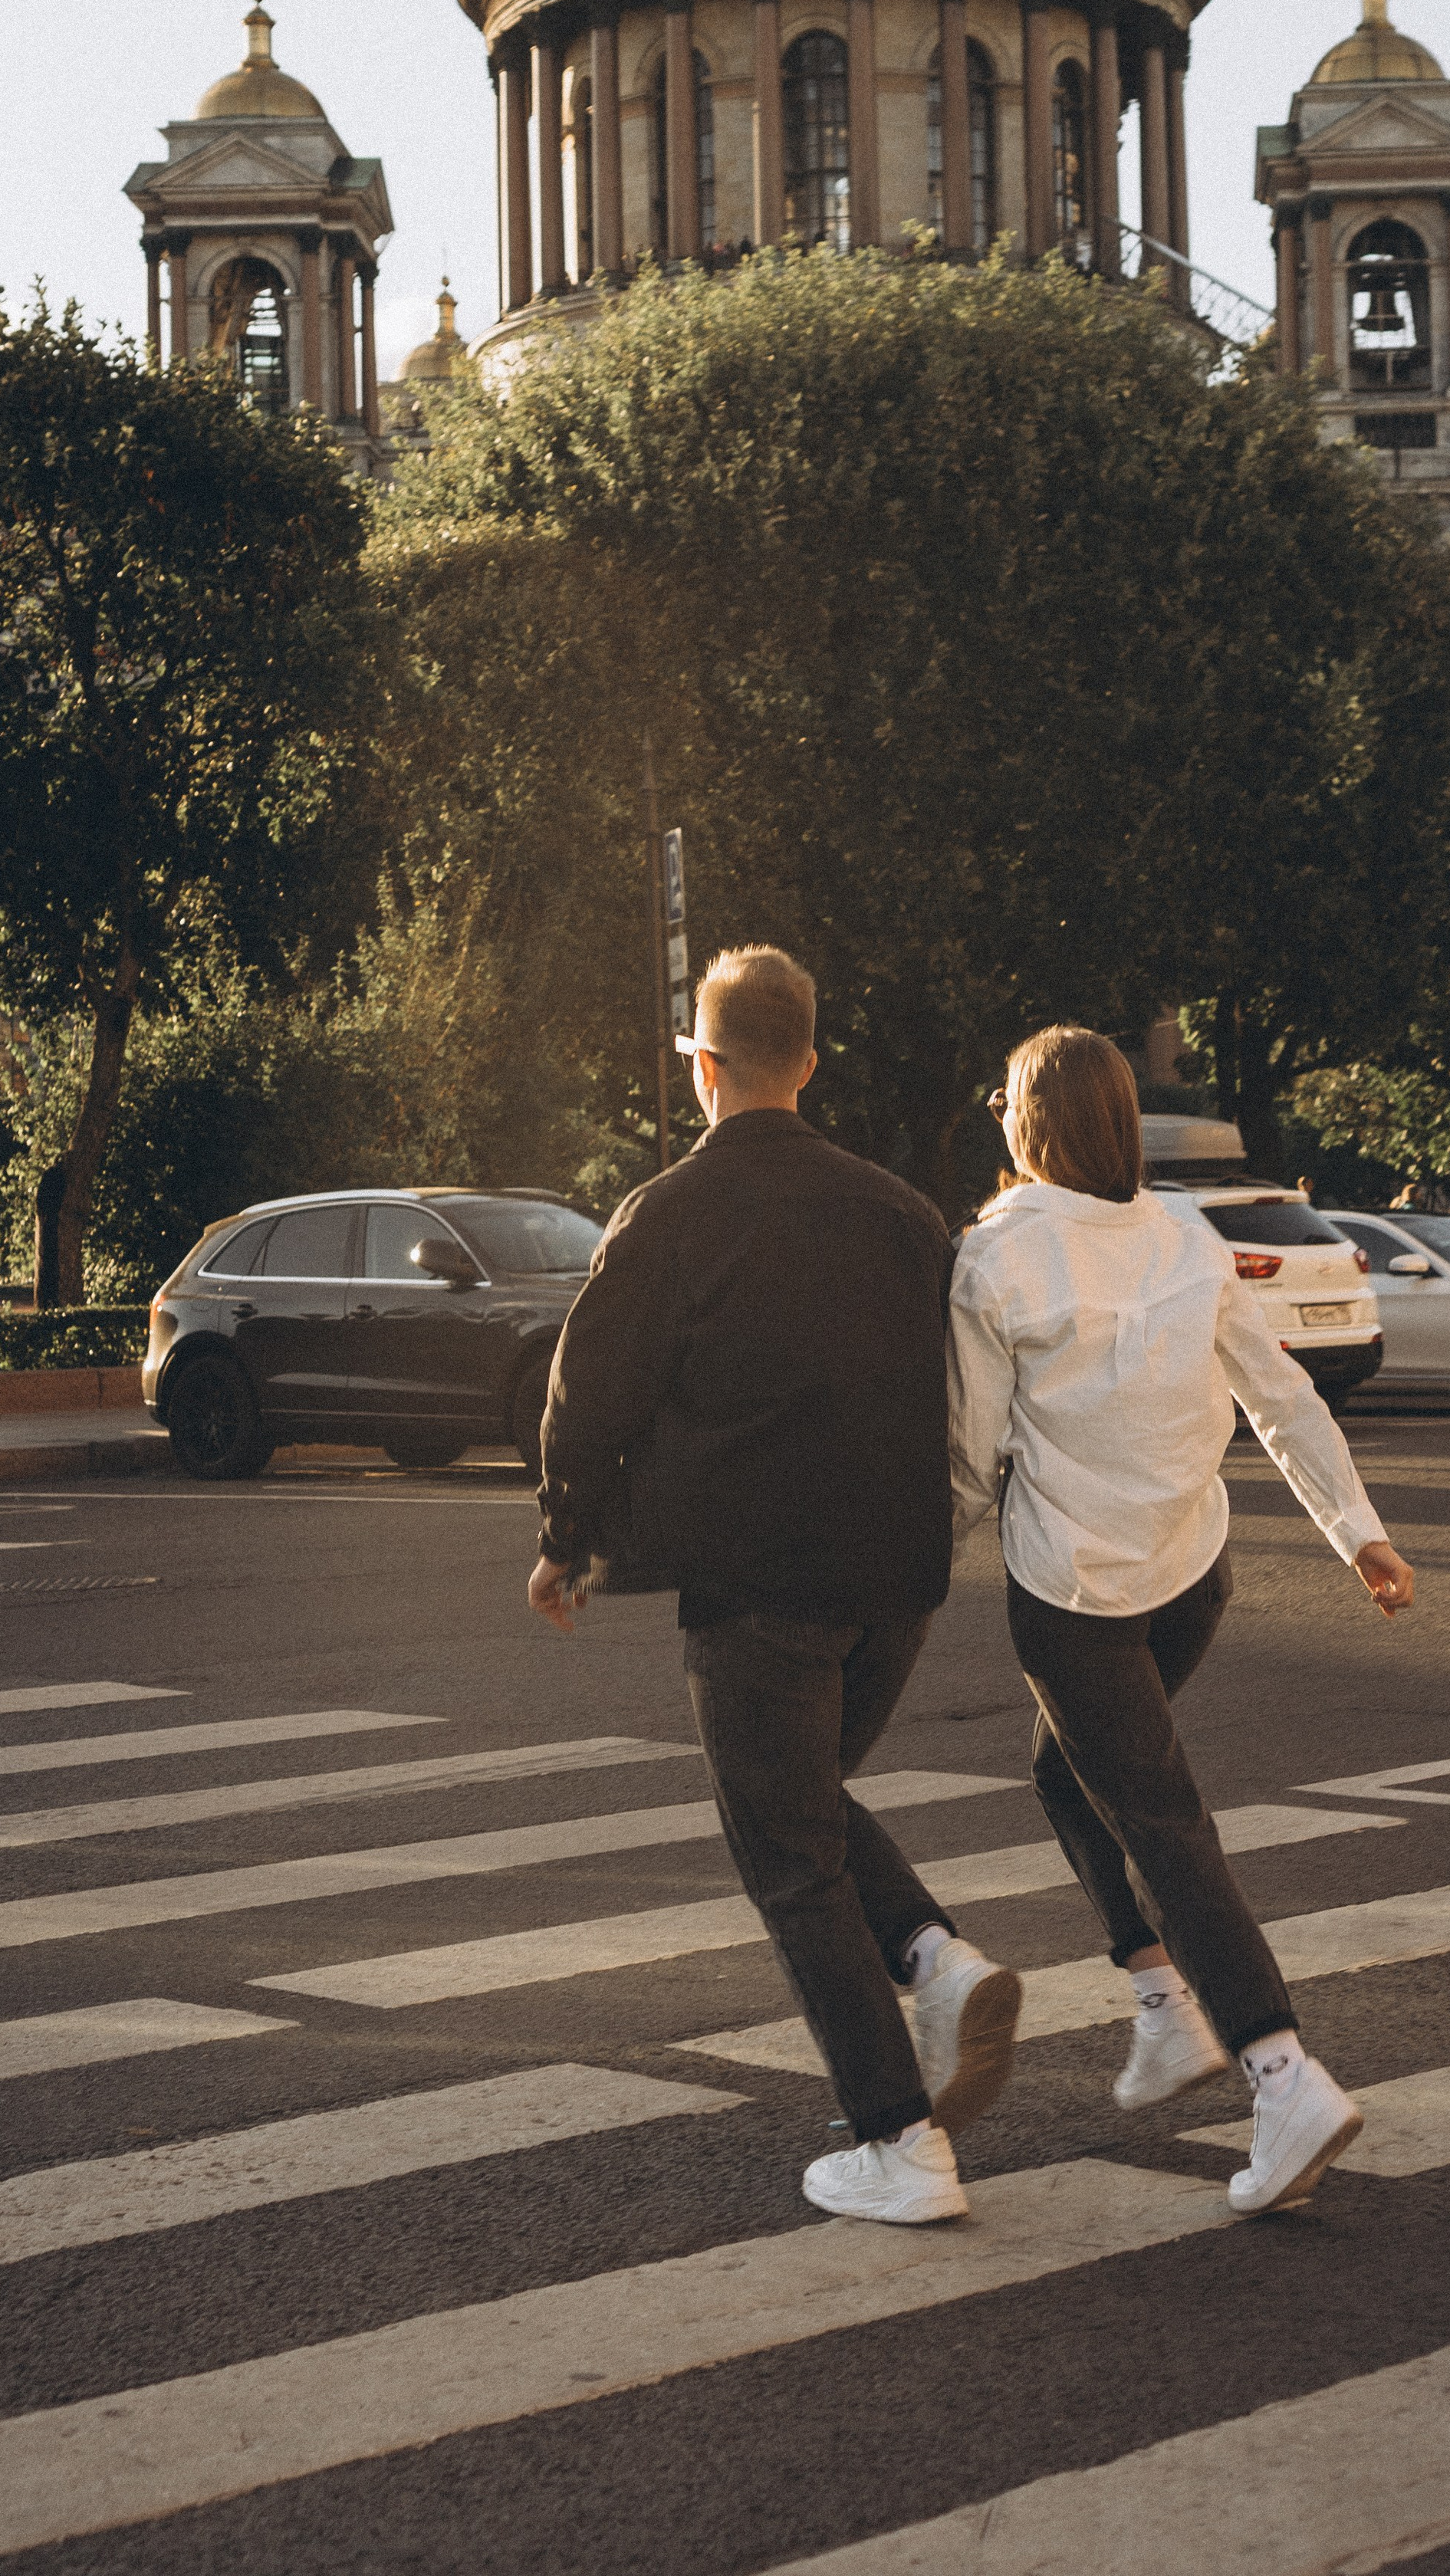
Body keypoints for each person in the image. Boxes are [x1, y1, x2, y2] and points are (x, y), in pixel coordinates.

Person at [528, 945, 1022, 2226]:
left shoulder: (669, 1214)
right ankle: (932, 1956)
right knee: (801, 1801)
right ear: (808, 1062)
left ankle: (899, 2140)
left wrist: (568, 1538)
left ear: (702, 1066)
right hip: (901, 1581)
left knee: (785, 1849)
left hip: (760, 1582)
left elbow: (590, 1393)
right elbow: (969, 1392)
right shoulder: (904, 1213)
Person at [949, 1025, 1415, 2217]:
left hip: (1076, 1600)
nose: (995, 1111)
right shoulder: (1189, 1235)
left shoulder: (995, 1259)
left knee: (1162, 1824)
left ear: (1033, 1120)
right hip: (1192, 1579)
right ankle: (1160, 2004)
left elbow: (968, 1453)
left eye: (1005, 1098)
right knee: (1068, 1774)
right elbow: (1282, 1395)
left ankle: (1277, 2070)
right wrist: (1355, 1529)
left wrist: (888, 1572)